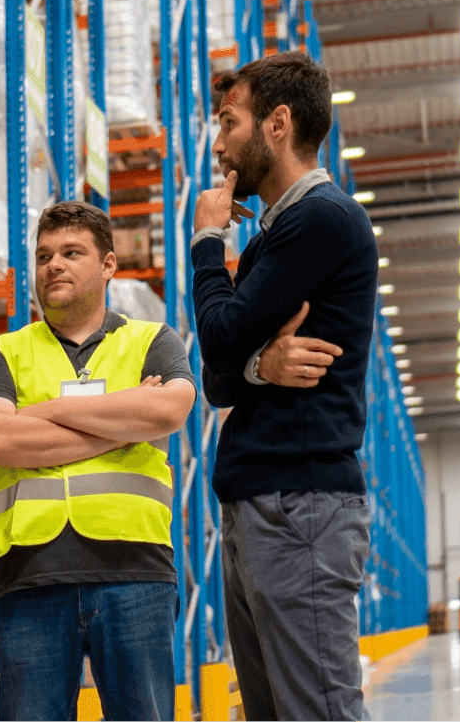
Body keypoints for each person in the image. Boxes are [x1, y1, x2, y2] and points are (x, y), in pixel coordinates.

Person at [190, 50, 379, 721]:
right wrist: (258, 367)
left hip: (301, 503)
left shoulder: (320, 220)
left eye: (228, 121)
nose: (219, 143)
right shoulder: (275, 237)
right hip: (260, 500)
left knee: (316, 711)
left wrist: (207, 242)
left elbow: (216, 334)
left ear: (277, 123)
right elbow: (217, 376)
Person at [0, 201, 197, 722]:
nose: (54, 265)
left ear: (109, 264)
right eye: (45, 255)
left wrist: (49, 413)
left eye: (72, 252)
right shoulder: (1, 353)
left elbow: (171, 407)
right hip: (29, 576)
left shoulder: (153, 341)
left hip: (135, 573)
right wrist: (119, 425)